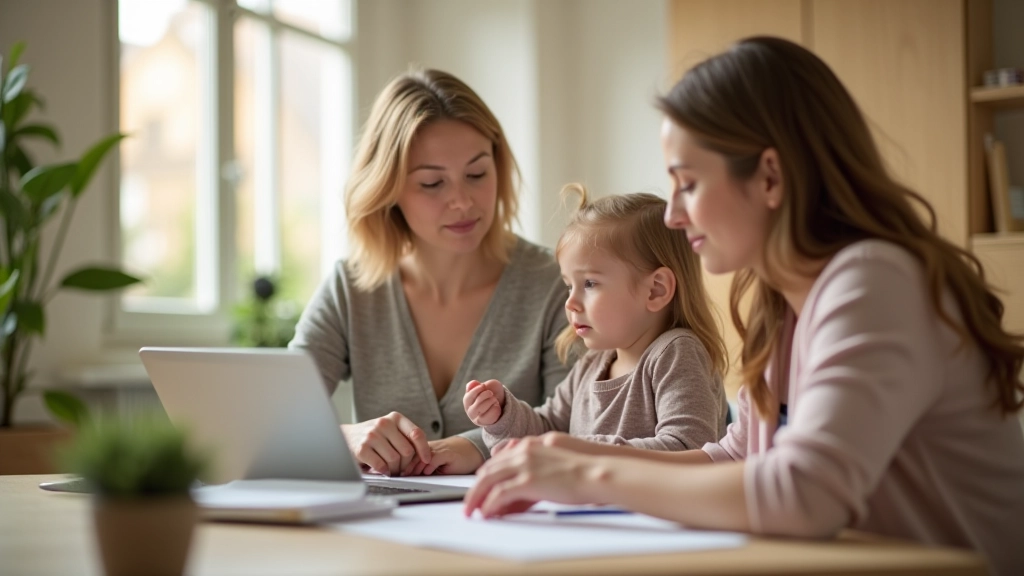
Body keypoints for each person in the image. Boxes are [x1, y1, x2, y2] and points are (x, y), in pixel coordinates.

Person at [463, 37, 1024, 575]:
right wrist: (566, 459)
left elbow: (803, 494)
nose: (673, 215)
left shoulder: (874, 283)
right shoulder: (783, 306)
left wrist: (588, 474)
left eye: (688, 184)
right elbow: (735, 458)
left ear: (770, 177)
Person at [289, 68, 571, 477]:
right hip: (384, 518)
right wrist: (345, 438)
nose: (463, 201)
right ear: (388, 188)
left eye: (476, 174)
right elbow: (276, 420)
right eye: (432, 183)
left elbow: (580, 419)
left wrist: (474, 447)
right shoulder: (350, 289)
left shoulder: (555, 282)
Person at [462, 186, 728, 455]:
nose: (570, 302)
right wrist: (502, 416)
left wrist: (581, 451)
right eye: (569, 286)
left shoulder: (677, 353)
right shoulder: (592, 363)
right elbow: (547, 428)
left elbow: (688, 448)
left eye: (589, 283)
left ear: (655, 290)